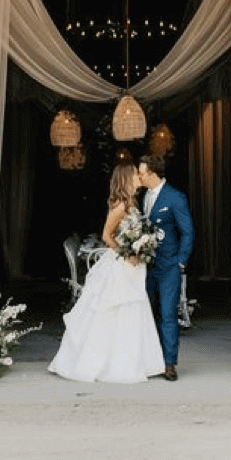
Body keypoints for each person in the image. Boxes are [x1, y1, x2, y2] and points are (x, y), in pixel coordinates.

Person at [48, 161, 165, 383]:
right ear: (125, 178)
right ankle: (109, 363)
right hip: (120, 265)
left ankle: (136, 360)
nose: (139, 178)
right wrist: (127, 251)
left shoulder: (132, 201)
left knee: (134, 310)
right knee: (117, 310)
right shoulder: (120, 205)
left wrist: (142, 245)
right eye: (135, 175)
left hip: (134, 265)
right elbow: (106, 236)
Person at [138, 152, 194, 381]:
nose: (138, 177)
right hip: (146, 266)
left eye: (141, 173)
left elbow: (187, 232)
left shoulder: (175, 197)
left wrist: (180, 262)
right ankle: (150, 360)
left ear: (152, 173)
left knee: (168, 314)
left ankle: (170, 363)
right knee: (146, 312)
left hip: (169, 266)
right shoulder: (145, 197)